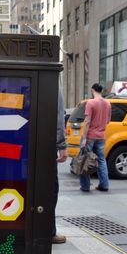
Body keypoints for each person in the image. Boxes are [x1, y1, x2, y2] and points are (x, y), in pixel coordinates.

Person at [79, 83, 111, 192]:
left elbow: (87, 121)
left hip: (90, 136)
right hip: (101, 136)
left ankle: (85, 186)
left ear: (93, 90)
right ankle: (104, 185)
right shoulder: (108, 103)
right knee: (101, 160)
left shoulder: (90, 103)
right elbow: (108, 121)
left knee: (85, 160)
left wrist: (84, 138)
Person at [52, 89, 68, 244]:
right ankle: (49, 231)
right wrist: (61, 144)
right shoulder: (54, 79)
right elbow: (57, 114)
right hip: (45, 139)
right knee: (50, 188)